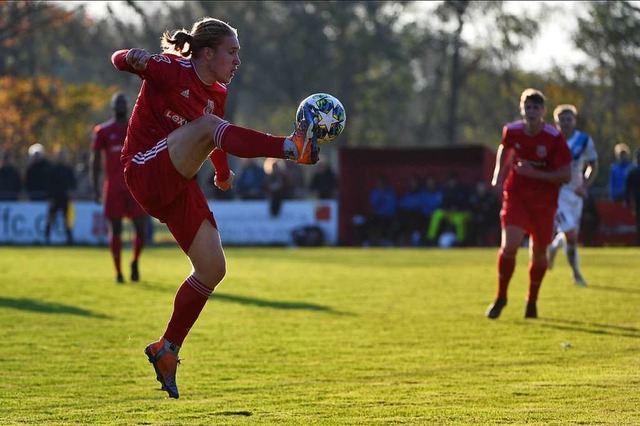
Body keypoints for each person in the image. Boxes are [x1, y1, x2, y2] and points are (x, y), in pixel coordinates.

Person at [111, 17, 320, 399]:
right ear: (207, 53)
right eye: (232, 52)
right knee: (209, 124)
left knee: (213, 268)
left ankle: (167, 349)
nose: (238, 60)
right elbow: (117, 59)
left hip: (177, 181)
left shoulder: (217, 93)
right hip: (144, 167)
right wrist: (133, 57)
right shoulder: (170, 69)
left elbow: (215, 136)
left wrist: (223, 174)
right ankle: (291, 147)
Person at [485, 88, 571, 320]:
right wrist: (498, 174)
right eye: (528, 107)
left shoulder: (554, 138)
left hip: (544, 203)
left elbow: (565, 175)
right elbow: (504, 147)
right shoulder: (512, 131)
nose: (531, 111)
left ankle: (531, 300)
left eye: (536, 107)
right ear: (522, 109)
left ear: (543, 111)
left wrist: (535, 173)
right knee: (510, 245)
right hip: (517, 196)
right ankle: (501, 297)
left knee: (539, 253)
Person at [91, 92, 149, 283]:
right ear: (113, 107)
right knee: (115, 230)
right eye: (118, 103)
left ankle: (135, 262)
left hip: (135, 187)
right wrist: (95, 186)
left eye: (124, 103)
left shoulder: (137, 128)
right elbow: (96, 161)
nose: (122, 107)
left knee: (140, 229)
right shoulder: (103, 131)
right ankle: (118, 272)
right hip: (114, 188)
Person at [546, 104, 599, 287]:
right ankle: (577, 275)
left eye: (569, 119)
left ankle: (553, 248)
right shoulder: (550, 140)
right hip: (557, 193)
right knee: (570, 234)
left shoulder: (584, 140)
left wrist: (584, 185)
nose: (566, 123)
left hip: (575, 194)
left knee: (571, 235)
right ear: (556, 122)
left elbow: (593, 165)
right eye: (562, 120)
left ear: (574, 121)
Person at [44, 144, 76, 245]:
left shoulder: (68, 169)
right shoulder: (52, 169)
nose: (61, 156)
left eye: (63, 154)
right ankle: (47, 238)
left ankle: (69, 239)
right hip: (55, 197)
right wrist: (50, 197)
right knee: (51, 217)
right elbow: (48, 184)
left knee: (67, 219)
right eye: (59, 154)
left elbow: (72, 183)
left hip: (65, 197)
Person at [625, 148, 640, 246]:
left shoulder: (632, 170)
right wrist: (628, 200)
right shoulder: (633, 171)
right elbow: (628, 187)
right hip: (637, 199)